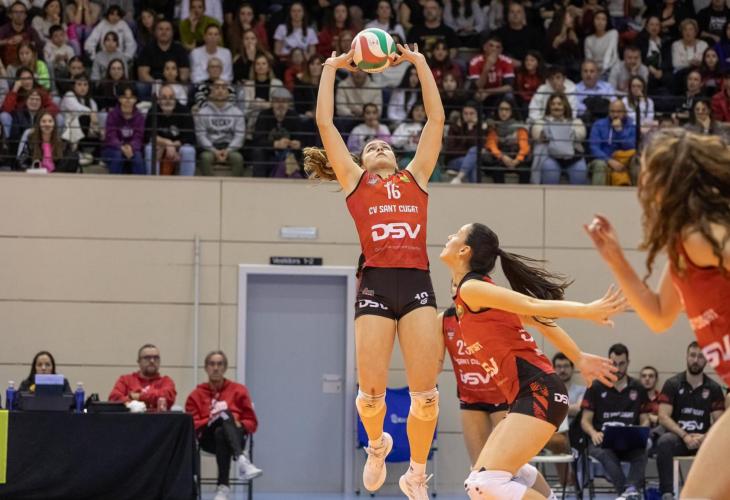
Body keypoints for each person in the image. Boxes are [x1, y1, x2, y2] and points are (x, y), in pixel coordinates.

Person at [304, 43, 444, 500]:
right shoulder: (356, 182)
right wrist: (331, 68)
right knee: (371, 395)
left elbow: (436, 120)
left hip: (417, 281)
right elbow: (325, 123)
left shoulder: (415, 178)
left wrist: (420, 63)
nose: (380, 146)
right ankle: (377, 446)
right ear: (361, 162)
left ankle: (416, 473)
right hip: (377, 284)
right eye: (370, 146)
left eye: (385, 144)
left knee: (427, 398)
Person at [585, 127, 730, 499]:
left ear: (669, 178)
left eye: (647, 171)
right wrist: (615, 259)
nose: (641, 182)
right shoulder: (686, 244)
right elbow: (659, 315)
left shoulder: (703, 236)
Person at [438, 221, 621, 499]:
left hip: (538, 391)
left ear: (464, 250)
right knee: (482, 478)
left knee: (484, 484)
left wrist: (586, 310)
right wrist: (579, 357)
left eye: (457, 234)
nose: (450, 236)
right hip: (531, 394)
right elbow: (540, 321)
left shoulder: (472, 289)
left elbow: (532, 305)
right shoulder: (477, 296)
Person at [438, 297, 556, 499]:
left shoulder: (490, 312)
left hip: (502, 396)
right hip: (470, 398)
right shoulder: (443, 320)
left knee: (513, 467)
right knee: (478, 472)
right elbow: (435, 363)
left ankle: (549, 496)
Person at [185, 351, 262, 500]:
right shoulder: (196, 395)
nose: (216, 368)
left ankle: (223, 489)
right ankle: (241, 460)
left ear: (225, 367)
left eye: (220, 364)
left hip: (234, 437)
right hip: (208, 440)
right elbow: (191, 424)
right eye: (212, 364)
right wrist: (212, 418)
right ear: (206, 368)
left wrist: (240, 424)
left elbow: (252, 422)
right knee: (224, 413)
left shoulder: (239, 390)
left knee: (221, 431)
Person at [656, 341, 725, 500]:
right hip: (679, 439)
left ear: (706, 360)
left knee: (723, 445)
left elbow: (720, 421)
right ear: (686, 357)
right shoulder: (672, 384)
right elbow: (663, 416)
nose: (695, 360)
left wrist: (705, 438)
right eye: (692, 355)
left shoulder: (714, 388)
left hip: (704, 441)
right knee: (664, 441)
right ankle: (667, 493)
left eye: (700, 357)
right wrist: (685, 436)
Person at [581, 343, 651, 500]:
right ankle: (628, 492)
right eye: (614, 364)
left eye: (622, 364)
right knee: (604, 452)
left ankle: (628, 491)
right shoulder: (596, 386)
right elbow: (585, 420)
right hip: (602, 440)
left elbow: (645, 419)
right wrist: (593, 433)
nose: (618, 368)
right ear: (608, 363)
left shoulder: (638, 388)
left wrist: (640, 431)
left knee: (643, 450)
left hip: (629, 441)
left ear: (628, 363)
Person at [250, 86, 307, 177]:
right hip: (269, 153)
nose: (280, 105)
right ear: (272, 103)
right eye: (277, 101)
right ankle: (259, 181)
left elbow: (302, 138)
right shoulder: (264, 115)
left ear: (288, 104)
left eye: (284, 101)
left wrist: (298, 144)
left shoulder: (294, 116)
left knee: (306, 152)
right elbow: (257, 139)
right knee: (258, 151)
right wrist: (275, 144)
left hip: (289, 153)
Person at [531, 93, 588, 185]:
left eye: (559, 104)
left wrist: (554, 131)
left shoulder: (576, 121)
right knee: (550, 168)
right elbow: (537, 135)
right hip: (550, 156)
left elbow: (581, 136)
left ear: (565, 106)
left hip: (574, 157)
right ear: (549, 107)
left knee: (580, 170)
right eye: (553, 104)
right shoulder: (541, 122)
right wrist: (564, 132)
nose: (556, 107)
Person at [195, 78, 245, 176]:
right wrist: (214, 151)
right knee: (205, 158)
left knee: (238, 158)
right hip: (210, 147)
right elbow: (201, 136)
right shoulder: (202, 112)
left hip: (229, 146)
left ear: (228, 93)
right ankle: (210, 184)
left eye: (223, 88)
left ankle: (234, 185)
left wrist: (228, 150)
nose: (220, 91)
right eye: (217, 88)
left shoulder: (237, 113)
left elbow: (239, 136)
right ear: (211, 92)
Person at [145, 84, 196, 176]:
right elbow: (148, 135)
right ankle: (153, 181)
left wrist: (171, 145)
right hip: (159, 146)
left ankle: (187, 183)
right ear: (159, 99)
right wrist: (166, 143)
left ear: (175, 98)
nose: (168, 101)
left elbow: (190, 137)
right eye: (164, 97)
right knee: (149, 149)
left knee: (188, 151)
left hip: (178, 146)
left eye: (171, 97)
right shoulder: (153, 110)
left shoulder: (184, 111)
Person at [108, 344, 177, 409]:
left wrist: (137, 396)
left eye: (156, 358)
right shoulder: (125, 380)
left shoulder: (166, 381)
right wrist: (149, 400)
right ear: (139, 361)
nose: (152, 361)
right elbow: (114, 399)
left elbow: (168, 398)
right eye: (147, 358)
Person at [588, 99, 638, 186]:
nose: (615, 115)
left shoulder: (631, 126)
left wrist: (619, 131)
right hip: (604, 159)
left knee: (637, 161)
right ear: (608, 112)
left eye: (619, 112)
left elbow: (632, 146)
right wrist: (609, 160)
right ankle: (597, 194)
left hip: (625, 159)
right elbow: (594, 147)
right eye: (612, 111)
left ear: (625, 112)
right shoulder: (599, 124)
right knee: (600, 165)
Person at [481, 98, 531, 184]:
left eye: (507, 109)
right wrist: (503, 157)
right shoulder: (493, 126)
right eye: (501, 109)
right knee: (496, 169)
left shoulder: (519, 126)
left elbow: (524, 147)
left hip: (517, 158)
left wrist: (517, 160)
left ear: (512, 111)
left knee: (525, 170)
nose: (503, 113)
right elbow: (491, 145)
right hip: (500, 159)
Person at [102, 83, 145, 175]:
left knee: (137, 157)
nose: (128, 100)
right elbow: (111, 137)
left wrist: (131, 147)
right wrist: (121, 147)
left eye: (131, 97)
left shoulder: (140, 117)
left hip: (133, 149)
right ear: (119, 98)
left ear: (135, 99)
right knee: (118, 155)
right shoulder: (112, 115)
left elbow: (138, 137)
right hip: (112, 149)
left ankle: (141, 183)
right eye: (125, 97)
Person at [468, 34, 515, 109]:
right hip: (480, 91)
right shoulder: (475, 62)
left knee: (509, 96)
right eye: (491, 46)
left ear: (501, 50)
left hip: (498, 92)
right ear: (485, 47)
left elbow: (509, 87)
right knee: (477, 95)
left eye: (497, 47)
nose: (494, 49)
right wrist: (486, 68)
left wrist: (488, 92)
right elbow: (478, 86)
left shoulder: (507, 61)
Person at [0, 1, 44, 68]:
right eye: (15, 12)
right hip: (7, 67)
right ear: (10, 15)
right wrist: (8, 41)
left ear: (25, 15)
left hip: (28, 67)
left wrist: (25, 41)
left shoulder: (31, 30)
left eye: (22, 12)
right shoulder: (3, 29)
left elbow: (39, 44)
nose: (19, 15)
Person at [584, 10, 619, 79]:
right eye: (597, 19)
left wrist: (604, 68)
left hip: (612, 68)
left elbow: (610, 53)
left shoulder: (613, 33)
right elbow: (589, 59)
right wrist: (596, 70)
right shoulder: (588, 39)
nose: (600, 22)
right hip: (596, 71)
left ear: (607, 22)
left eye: (603, 19)